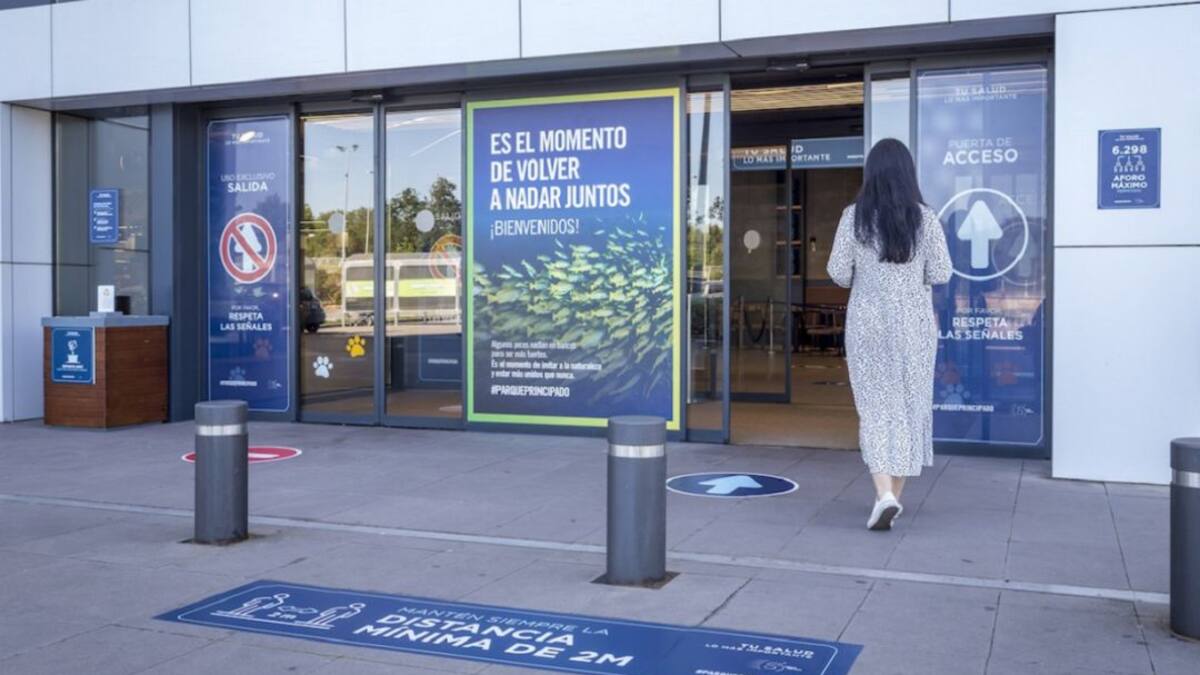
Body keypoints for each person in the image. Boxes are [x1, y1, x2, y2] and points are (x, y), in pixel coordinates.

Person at [827, 138, 952, 531]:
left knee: (876, 408)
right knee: (911, 408)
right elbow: (942, 272)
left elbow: (838, 272)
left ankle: (884, 495)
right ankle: (890, 497)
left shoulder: (854, 217)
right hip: (914, 324)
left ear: (872, 174)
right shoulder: (925, 218)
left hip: (868, 322)